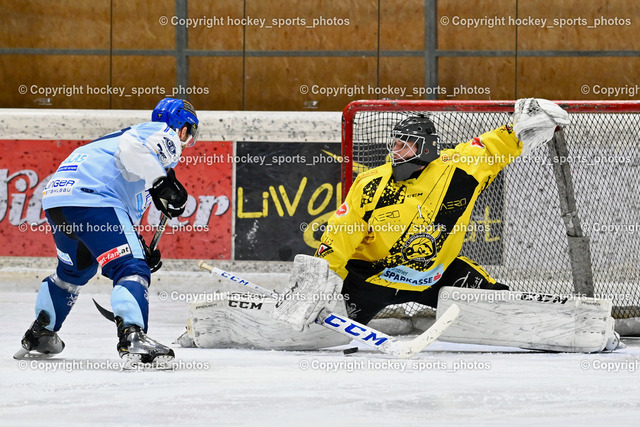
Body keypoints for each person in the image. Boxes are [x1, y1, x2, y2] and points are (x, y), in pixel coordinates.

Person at [182, 98, 574, 351]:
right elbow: (341, 234)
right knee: (305, 333)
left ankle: (578, 330)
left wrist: (524, 126)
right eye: (395, 142)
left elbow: (493, 146)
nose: (395, 150)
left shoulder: (458, 168)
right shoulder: (372, 183)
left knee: (502, 306)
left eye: (405, 143)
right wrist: (322, 279)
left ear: (426, 147)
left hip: (437, 275)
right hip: (371, 279)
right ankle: (216, 323)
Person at [16, 98, 199, 364]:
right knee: (131, 268)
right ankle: (132, 337)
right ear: (182, 128)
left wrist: (137, 244)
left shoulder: (117, 145)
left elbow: (124, 203)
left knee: (75, 271)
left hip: (58, 200)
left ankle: (40, 333)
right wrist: (161, 182)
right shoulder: (162, 134)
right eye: (189, 133)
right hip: (93, 199)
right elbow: (132, 148)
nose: (186, 140)